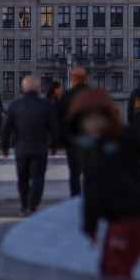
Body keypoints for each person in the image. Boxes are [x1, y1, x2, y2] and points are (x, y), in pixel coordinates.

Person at [66, 87, 140, 278]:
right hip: (115, 217)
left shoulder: (123, 137)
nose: (95, 124)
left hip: (134, 212)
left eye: (100, 117)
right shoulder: (91, 152)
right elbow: (91, 191)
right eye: (88, 119)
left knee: (117, 267)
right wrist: (90, 225)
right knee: (107, 267)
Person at [0, 76, 61, 216]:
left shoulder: (15, 105)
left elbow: (6, 128)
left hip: (21, 148)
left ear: (22, 88)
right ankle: (32, 206)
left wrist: (4, 147)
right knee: (38, 177)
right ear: (38, 89)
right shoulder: (46, 105)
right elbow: (54, 128)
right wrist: (55, 146)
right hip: (40, 147)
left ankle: (24, 204)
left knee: (23, 178)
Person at [56, 67, 88, 198]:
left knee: (74, 174)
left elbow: (60, 121)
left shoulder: (66, 97)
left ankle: (75, 199)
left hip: (72, 141)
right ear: (85, 79)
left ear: (72, 80)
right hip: (90, 140)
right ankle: (90, 199)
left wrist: (60, 141)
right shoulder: (93, 95)